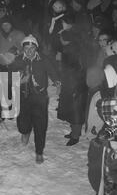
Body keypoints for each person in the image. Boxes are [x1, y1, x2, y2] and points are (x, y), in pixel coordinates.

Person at [14, 35, 60, 163]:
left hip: (39, 97)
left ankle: (39, 151)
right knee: (23, 124)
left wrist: (57, 82)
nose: (29, 51)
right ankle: (26, 131)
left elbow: (53, 72)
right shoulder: (18, 60)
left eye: (32, 47)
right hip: (23, 97)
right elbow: (10, 77)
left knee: (40, 126)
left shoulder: (43, 59)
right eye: (26, 48)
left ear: (36, 48)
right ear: (23, 49)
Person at [57, 29, 88, 145]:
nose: (59, 39)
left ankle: (75, 136)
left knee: (76, 111)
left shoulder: (71, 51)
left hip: (75, 85)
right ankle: (74, 132)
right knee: (72, 110)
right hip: (72, 84)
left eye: (60, 37)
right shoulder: (72, 48)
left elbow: (76, 70)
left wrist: (76, 86)